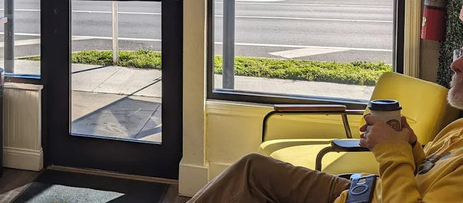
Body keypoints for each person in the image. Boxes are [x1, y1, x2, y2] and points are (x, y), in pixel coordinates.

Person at [188, 53, 463, 203]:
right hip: (367, 190)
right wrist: (411, 146)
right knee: (252, 169)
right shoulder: (458, 127)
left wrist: (392, 150)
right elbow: (427, 171)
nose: (455, 64)